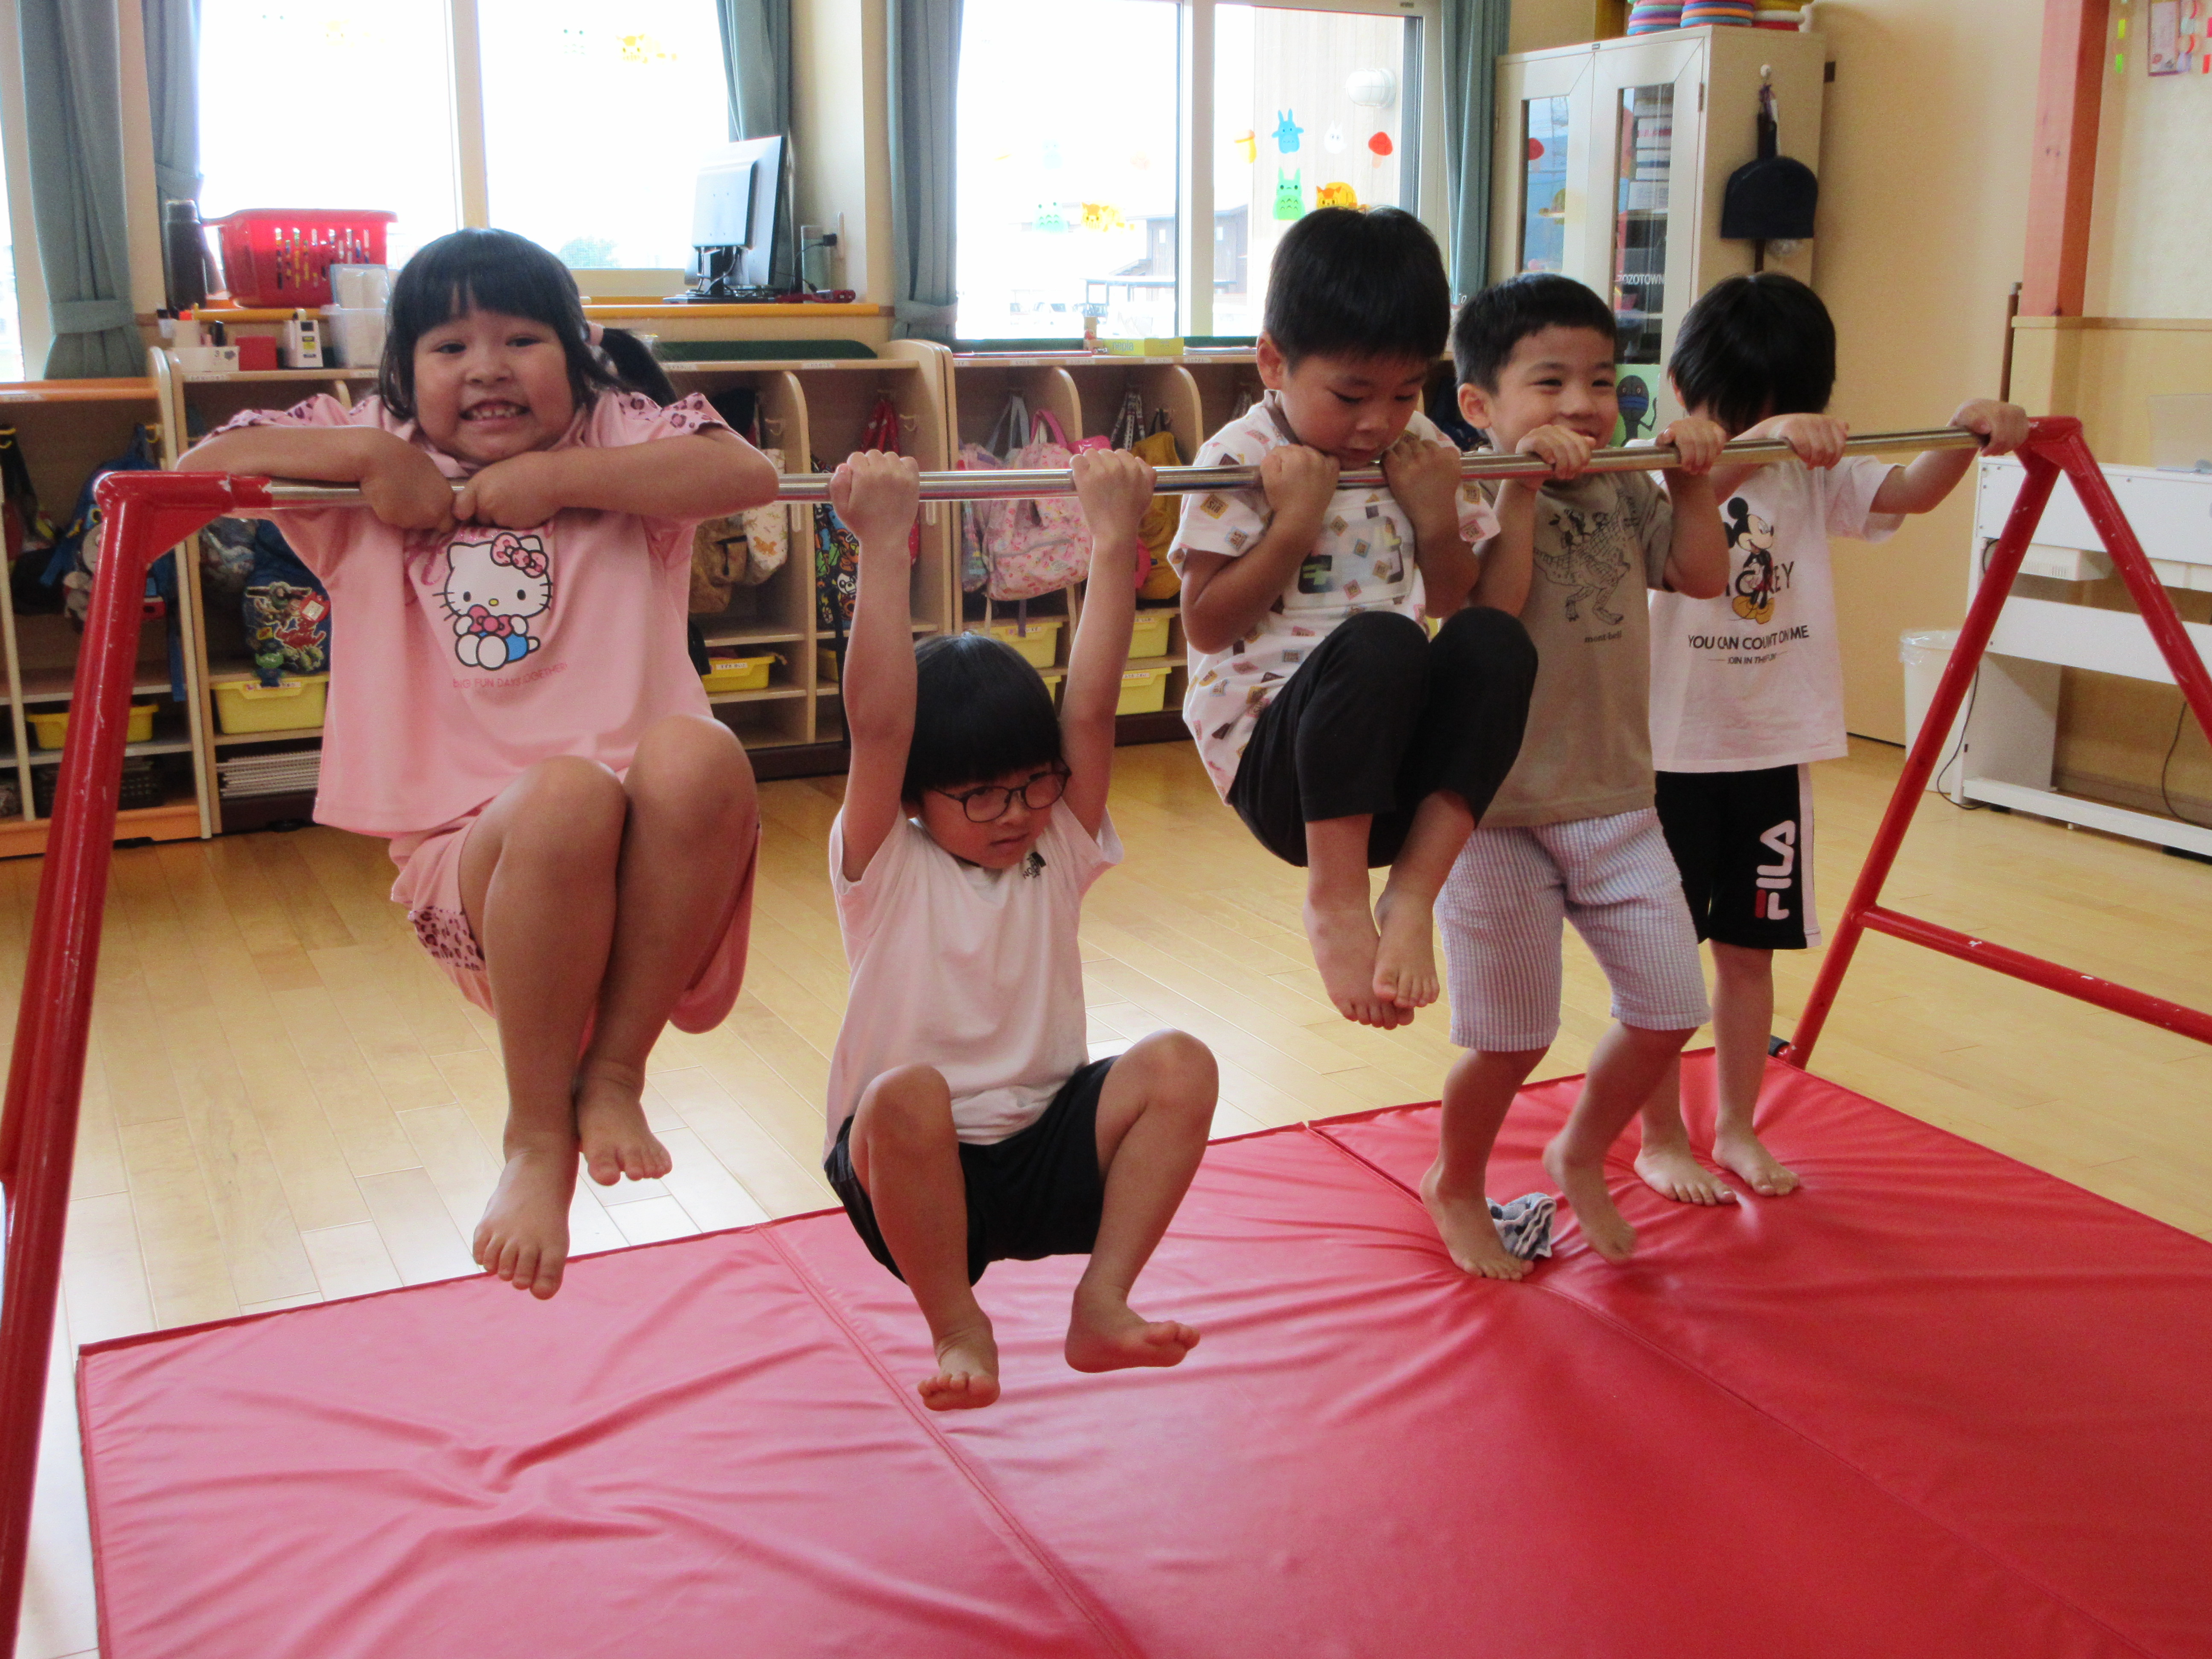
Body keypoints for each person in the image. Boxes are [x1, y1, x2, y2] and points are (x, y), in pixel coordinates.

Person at [181, 228, 777, 1300]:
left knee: (701, 753)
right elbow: (192, 469)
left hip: (653, 870)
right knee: (565, 795)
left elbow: (746, 472)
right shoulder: (376, 436)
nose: (488, 368)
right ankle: (535, 1136)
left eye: (522, 341)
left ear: (579, 354)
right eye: (450, 347)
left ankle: (616, 1071)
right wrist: (373, 464)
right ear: (404, 372)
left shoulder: (612, 428)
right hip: (479, 862)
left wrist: (563, 478)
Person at [824, 447, 1217, 1412]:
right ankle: (959, 1324)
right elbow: (879, 727)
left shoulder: (1059, 843)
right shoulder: (887, 866)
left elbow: (1092, 705)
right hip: (916, 1175)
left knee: (1182, 1063)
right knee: (905, 1093)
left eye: (1036, 784)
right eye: (982, 796)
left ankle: (1103, 1301)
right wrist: (883, 542)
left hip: (1047, 1148)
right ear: (914, 800)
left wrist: (1115, 537)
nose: (1017, 813)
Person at [1636, 272, 2030, 1204]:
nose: (1760, 428)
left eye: (1776, 409)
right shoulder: (1664, 464)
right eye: (1735, 410)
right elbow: (1684, 505)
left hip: (1772, 748)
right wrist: (1755, 440)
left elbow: (1912, 493)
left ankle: (1736, 1125)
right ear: (1686, 391)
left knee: (1749, 953)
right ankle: (1658, 1136)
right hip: (1665, 757)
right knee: (1659, 964)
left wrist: (1966, 432)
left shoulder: (1816, 474)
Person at [1427, 273, 1731, 1275]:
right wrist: (1519, 484)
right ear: (1480, 405)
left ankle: (1581, 1149)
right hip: (1492, 816)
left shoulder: (1624, 484)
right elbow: (1494, 608)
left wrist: (1694, 481)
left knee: (1671, 1004)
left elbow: (1700, 575)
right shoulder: (1465, 489)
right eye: (1550, 382)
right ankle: (1455, 1184)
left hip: (1615, 799)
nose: (1584, 405)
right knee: (1511, 1039)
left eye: (1602, 381)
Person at [1170, 207, 1538, 1030]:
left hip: (1391, 769)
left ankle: (1413, 893)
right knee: (1380, 641)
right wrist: (1293, 524)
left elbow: (1455, 600)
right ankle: (1336, 902)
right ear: (1274, 362)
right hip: (1278, 765)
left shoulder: (1418, 449)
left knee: (1494, 640)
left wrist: (1436, 519)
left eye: (1406, 391)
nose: (1378, 420)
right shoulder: (1242, 457)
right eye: (1350, 395)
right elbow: (1206, 625)